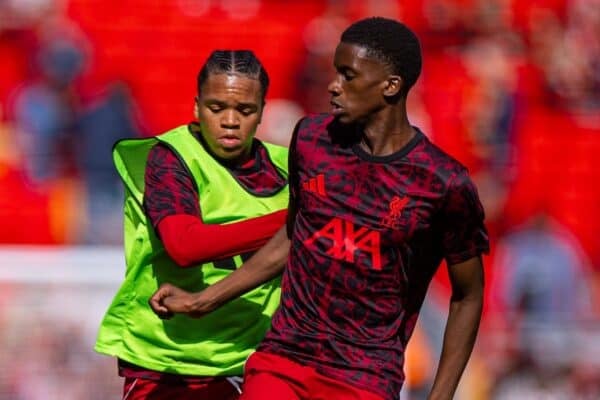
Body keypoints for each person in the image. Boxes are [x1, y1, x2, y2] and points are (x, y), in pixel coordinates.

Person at [151, 17, 489, 400]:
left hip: (363, 377)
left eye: (348, 76)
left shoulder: (443, 182)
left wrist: (440, 396)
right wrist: (204, 299)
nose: (333, 86)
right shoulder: (312, 140)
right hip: (286, 357)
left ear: (390, 86)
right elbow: (294, 236)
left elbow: (468, 295)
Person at [94, 50, 289, 400]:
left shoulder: (289, 169)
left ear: (261, 112)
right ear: (197, 107)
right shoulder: (170, 158)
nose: (230, 120)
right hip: (168, 360)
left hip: (250, 360)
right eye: (217, 108)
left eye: (245, 110)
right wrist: (295, 220)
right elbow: (185, 246)